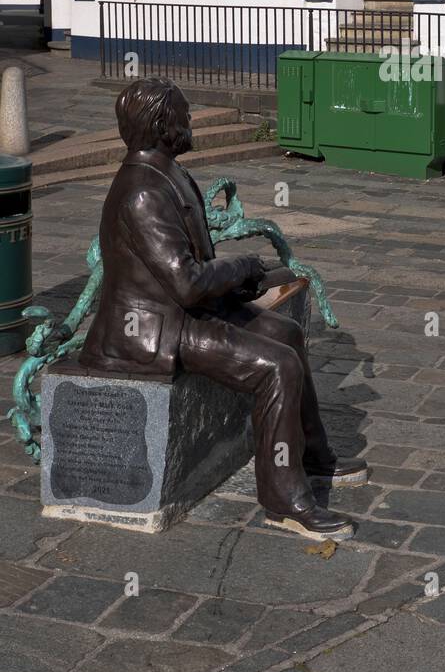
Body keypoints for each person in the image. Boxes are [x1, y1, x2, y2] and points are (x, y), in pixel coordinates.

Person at [80, 76, 366, 539]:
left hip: (183, 310)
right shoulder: (142, 192)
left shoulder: (168, 171)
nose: (190, 120)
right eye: (183, 114)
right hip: (154, 330)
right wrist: (242, 267)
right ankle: (283, 501)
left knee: (287, 335)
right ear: (162, 124)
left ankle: (314, 460)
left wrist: (242, 279)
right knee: (277, 366)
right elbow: (188, 283)